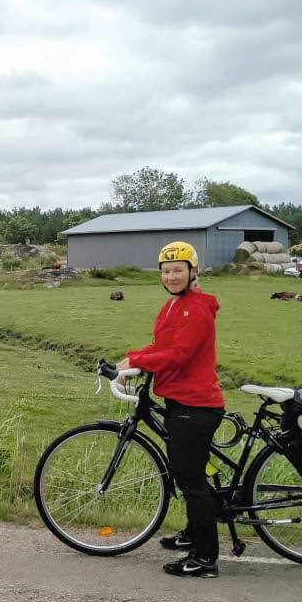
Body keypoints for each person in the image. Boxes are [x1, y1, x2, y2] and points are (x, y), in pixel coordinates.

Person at [115, 241, 225, 578]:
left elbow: (179, 355)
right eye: (166, 271)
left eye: (178, 270)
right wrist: (131, 357)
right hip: (180, 399)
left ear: (193, 272)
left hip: (196, 403)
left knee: (192, 480)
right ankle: (193, 533)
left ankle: (206, 559)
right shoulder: (174, 305)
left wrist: (139, 361)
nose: (172, 276)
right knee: (185, 471)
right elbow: (162, 346)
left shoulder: (196, 309)